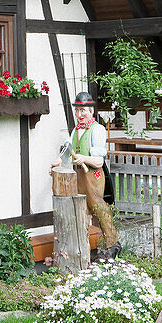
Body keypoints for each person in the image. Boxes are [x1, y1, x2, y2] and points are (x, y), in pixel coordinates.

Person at [51, 90, 120, 258]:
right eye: (77, 111)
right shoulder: (75, 131)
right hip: (78, 175)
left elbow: (99, 162)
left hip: (93, 176)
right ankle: (83, 248)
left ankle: (113, 244)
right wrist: (58, 161)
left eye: (83, 111)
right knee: (80, 210)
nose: (79, 114)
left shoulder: (98, 130)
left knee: (98, 207)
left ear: (91, 112)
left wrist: (84, 158)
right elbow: (68, 150)